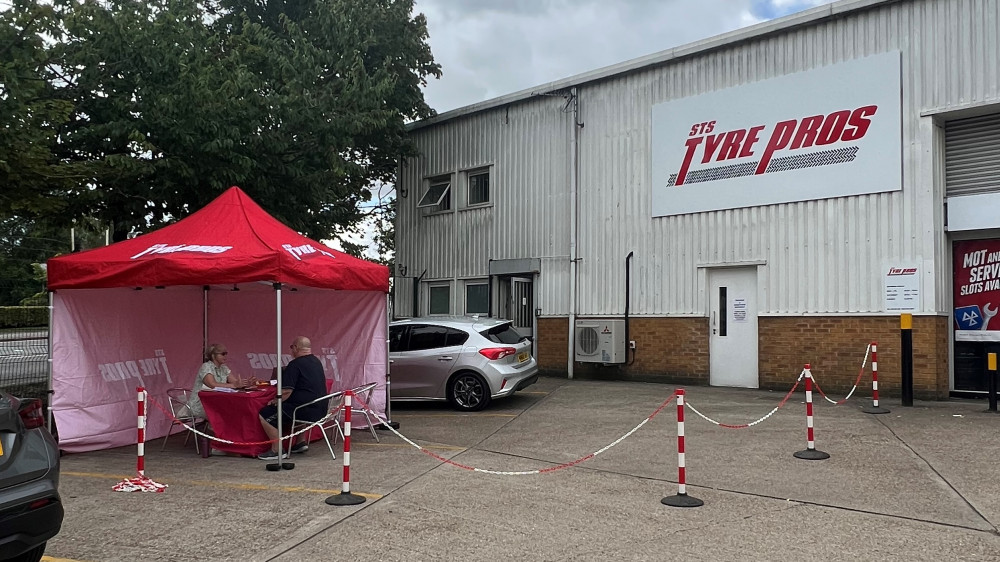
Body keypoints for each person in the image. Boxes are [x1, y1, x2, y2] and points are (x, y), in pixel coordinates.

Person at [257, 336, 329, 460]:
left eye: (291, 347)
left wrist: (274, 401)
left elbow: (286, 391)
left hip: (305, 410)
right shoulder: (316, 361)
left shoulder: (295, 364)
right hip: (320, 408)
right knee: (296, 406)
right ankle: (300, 442)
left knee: (265, 414)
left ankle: (277, 449)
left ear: (296, 348)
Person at [187, 343, 247, 418]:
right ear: (213, 355)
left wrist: (247, 383)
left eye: (226, 353)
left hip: (216, 401)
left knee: (236, 408)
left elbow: (235, 382)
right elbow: (212, 385)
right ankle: (218, 428)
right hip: (201, 404)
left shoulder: (224, 368)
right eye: (223, 354)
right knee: (227, 411)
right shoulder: (206, 366)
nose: (225, 356)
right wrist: (233, 385)